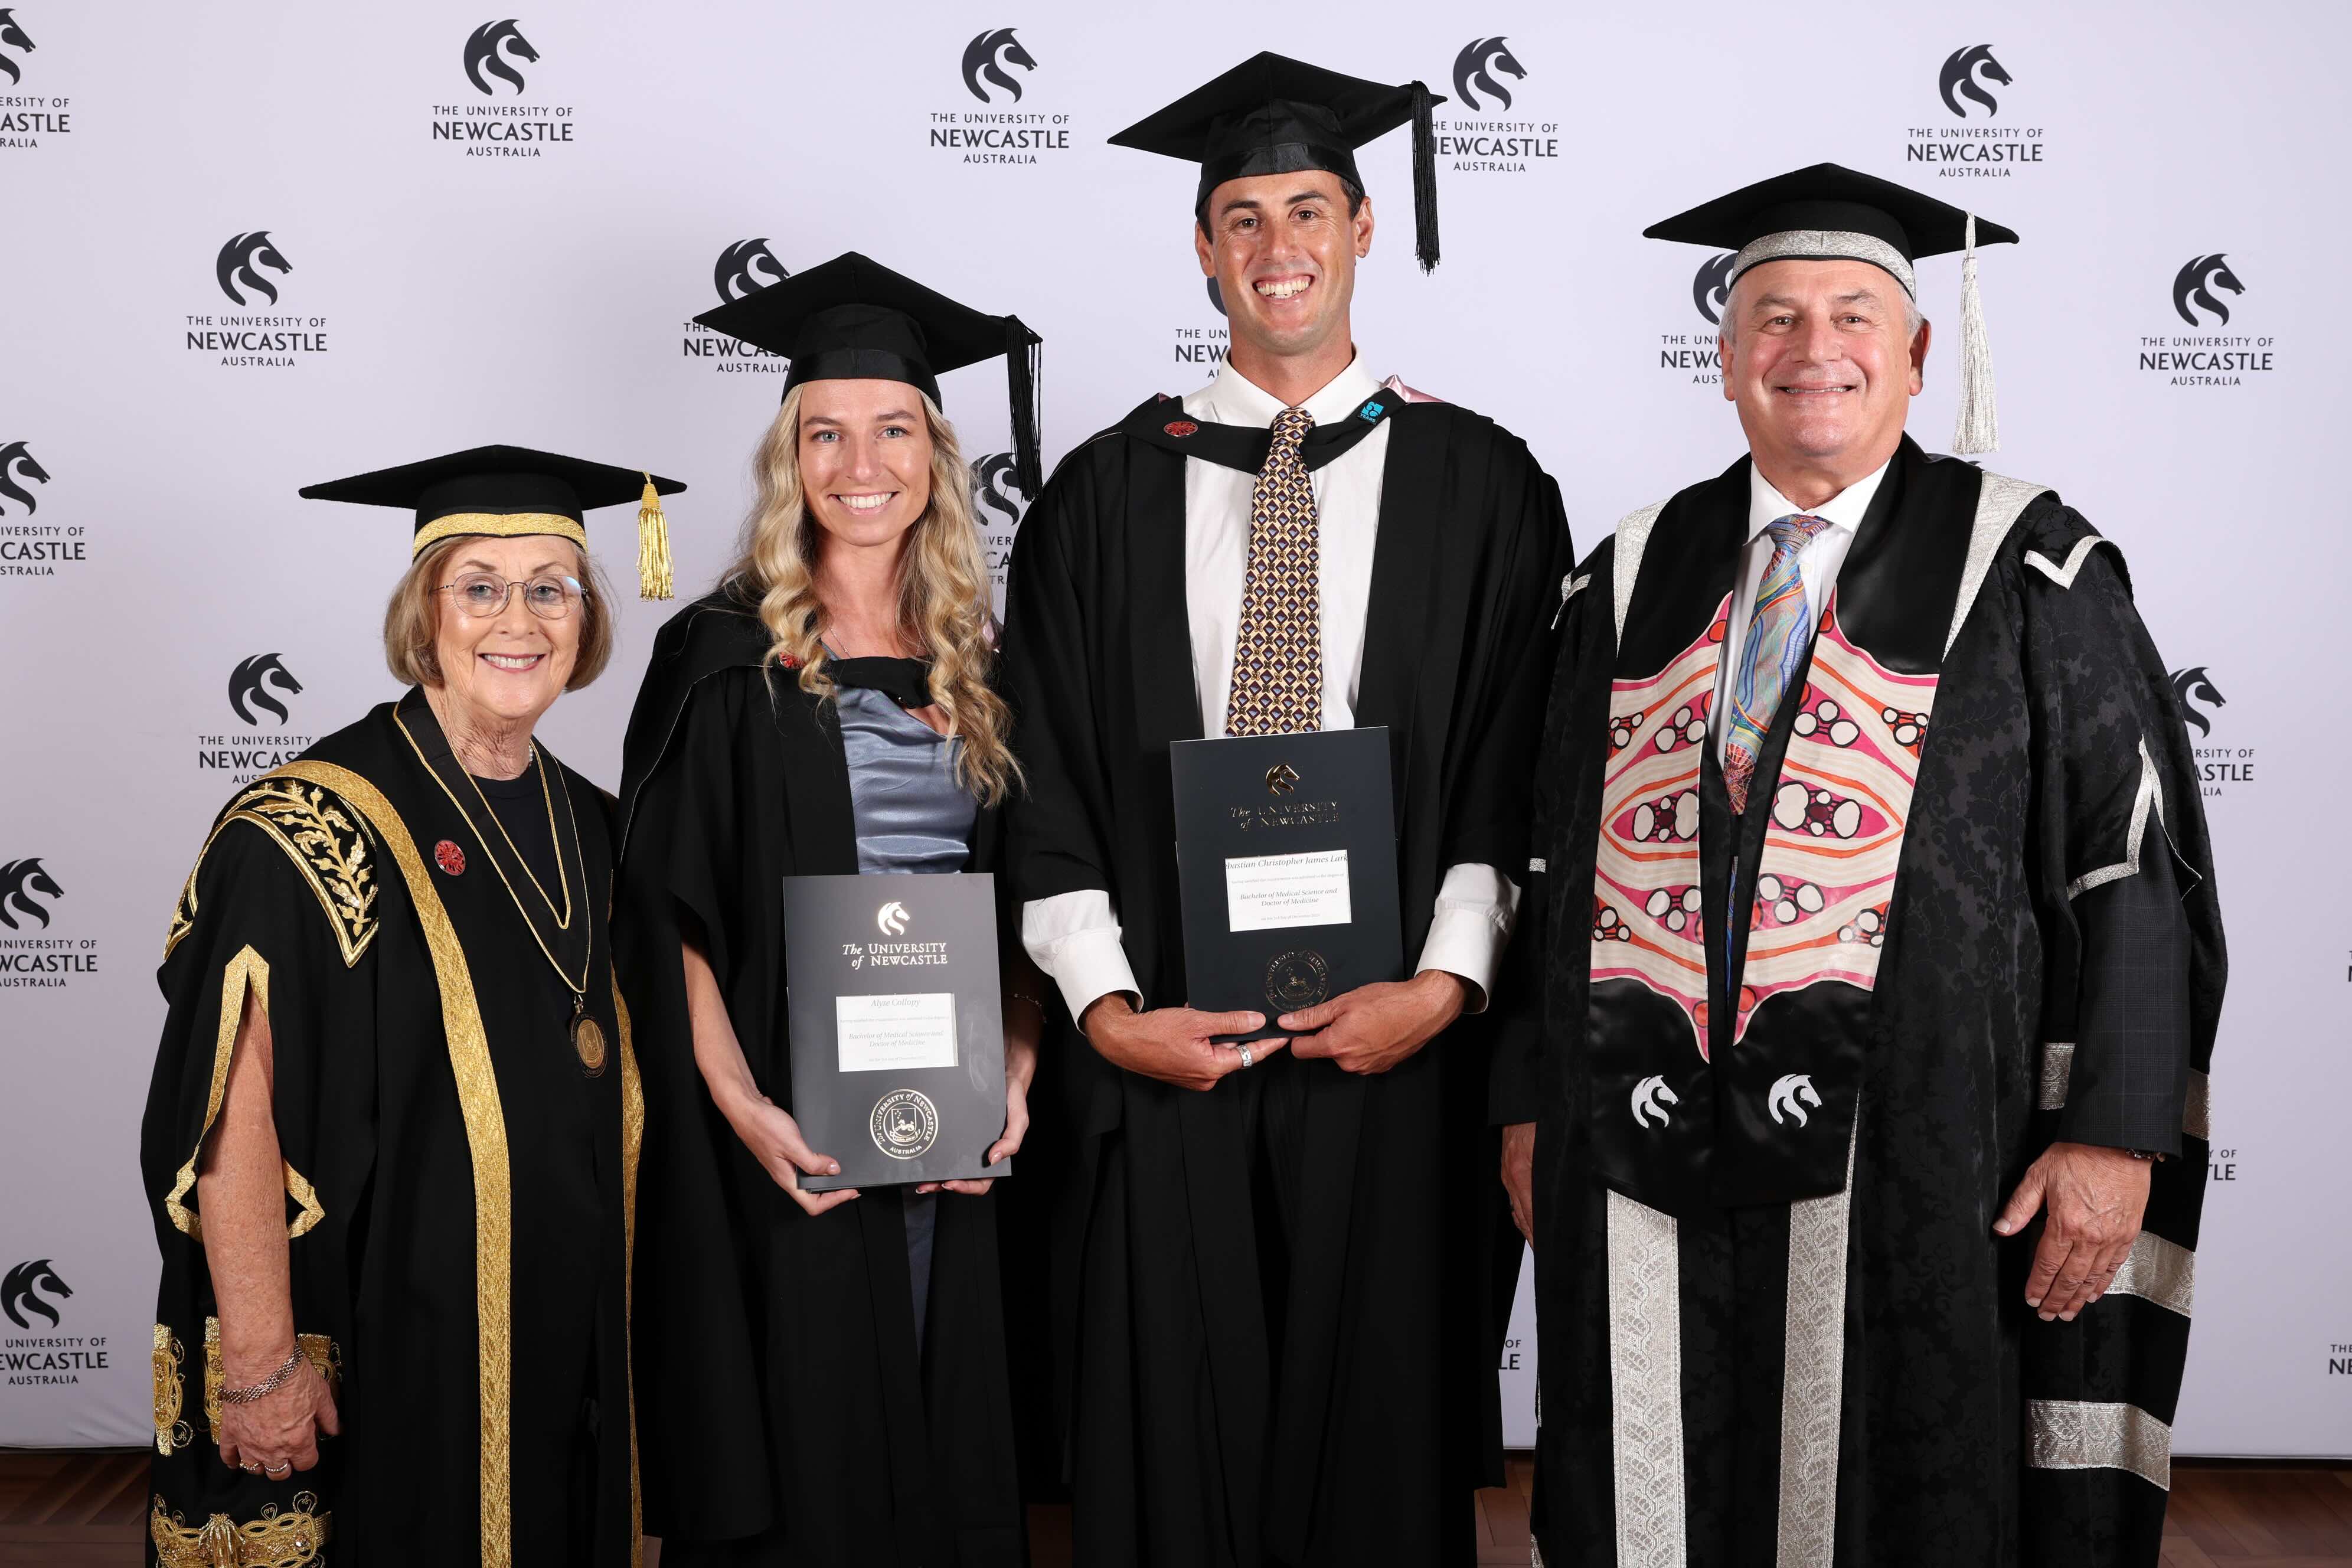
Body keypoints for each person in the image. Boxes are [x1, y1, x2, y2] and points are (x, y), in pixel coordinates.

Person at [1501, 164, 2226, 1567]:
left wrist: (2115, 1129)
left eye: (1851, 315)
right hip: (1648, 1146)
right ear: (1723, 359)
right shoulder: (1628, 572)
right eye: (1773, 317)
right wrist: (1530, 1100)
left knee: (1901, 1485)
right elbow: (1555, 858)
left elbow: (2131, 867)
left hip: (1920, 1167)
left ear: (1915, 354)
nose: (1811, 349)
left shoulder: (2033, 568)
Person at [999, 53, 1572, 1567]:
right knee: (1163, 1438)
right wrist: (1107, 1007)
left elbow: (1520, 764)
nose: (1277, 249)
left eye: (1307, 209)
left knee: (1377, 1444)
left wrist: (1445, 988)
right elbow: (1038, 763)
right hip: (1168, 1042)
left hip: (1394, 1048)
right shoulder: (1104, 494)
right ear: (1203, 248)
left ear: (1366, 226)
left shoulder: (1486, 484)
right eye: (1241, 218)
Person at [141, 446, 685, 1566]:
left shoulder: (597, 824)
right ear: (422, 613)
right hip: (392, 1351)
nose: (517, 619)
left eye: (551, 587)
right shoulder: (303, 831)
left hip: (573, 1347)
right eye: (479, 585)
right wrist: (258, 1362)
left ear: (584, 621)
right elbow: (232, 1110)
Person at [614, 253, 1046, 1567]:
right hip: (790, 1123)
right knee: (803, 1443)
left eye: (894, 429)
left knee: (947, 1428)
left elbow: (1034, 889)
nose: (863, 463)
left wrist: (1020, 1070)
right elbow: (664, 910)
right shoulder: (728, 654)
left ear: (937, 450)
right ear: (789, 456)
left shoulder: (989, 657)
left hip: (958, 1119)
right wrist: (744, 1108)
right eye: (827, 433)